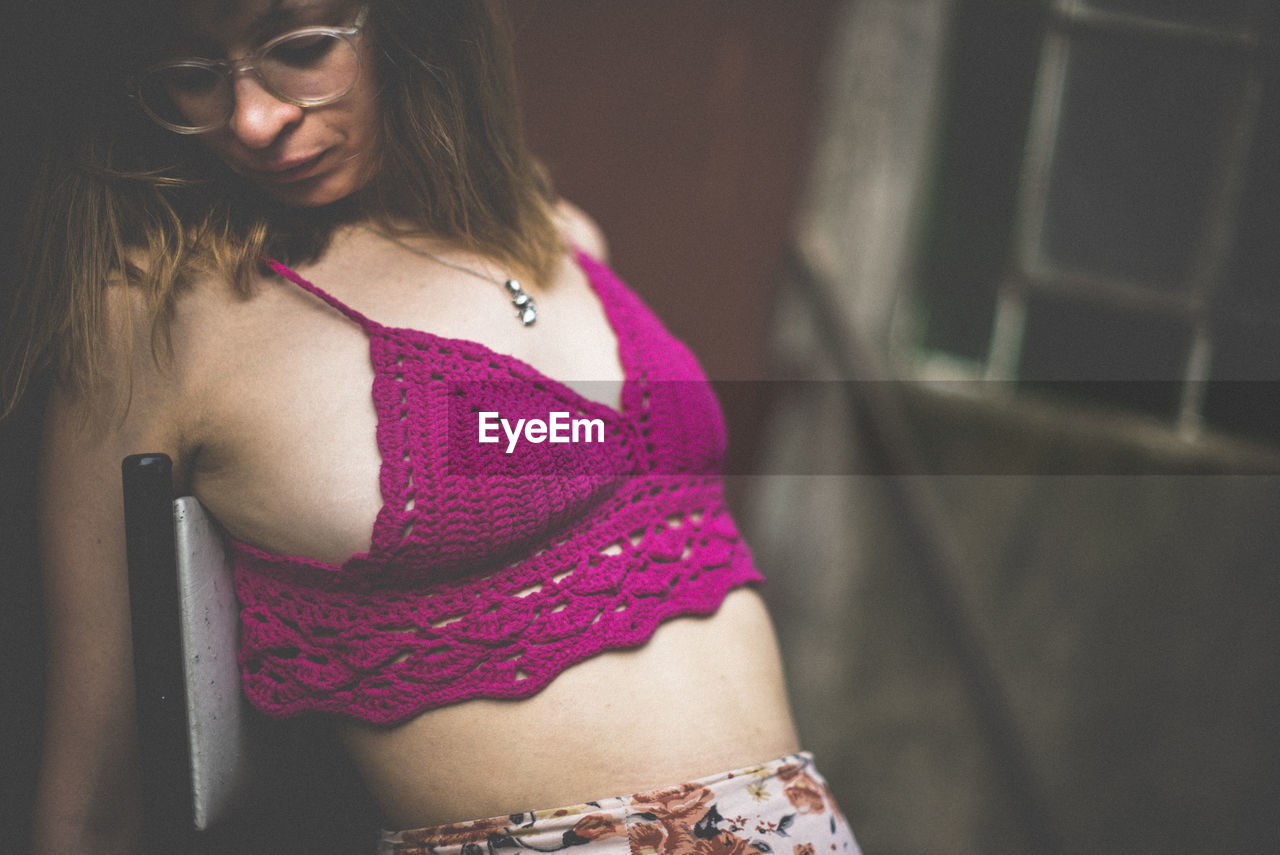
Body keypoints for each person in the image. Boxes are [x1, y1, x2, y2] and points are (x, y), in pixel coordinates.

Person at [4, 1, 862, 853]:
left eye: (301, 49)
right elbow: (90, 807)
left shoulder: (556, 234)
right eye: (191, 77)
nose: (254, 120)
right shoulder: (161, 319)